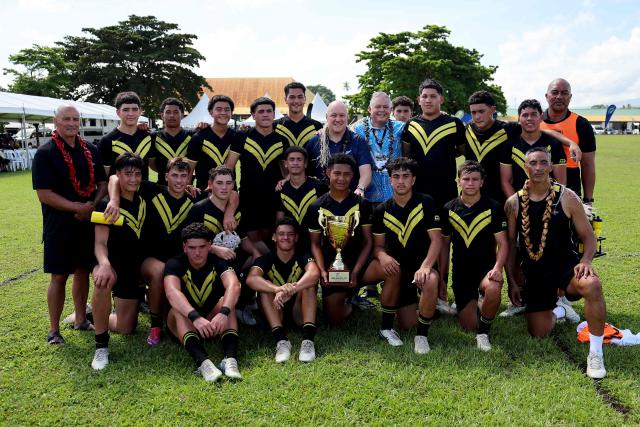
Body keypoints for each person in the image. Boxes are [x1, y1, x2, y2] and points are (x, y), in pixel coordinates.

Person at [504, 147, 608, 379]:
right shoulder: (513, 203)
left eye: (543, 162)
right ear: (525, 167)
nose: (538, 167)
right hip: (534, 272)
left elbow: (589, 237)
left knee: (592, 285)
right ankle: (560, 310)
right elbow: (510, 246)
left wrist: (586, 260)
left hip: (565, 267)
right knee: (538, 332)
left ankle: (595, 353)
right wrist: (511, 281)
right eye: (533, 163)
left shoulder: (568, 197)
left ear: (551, 166)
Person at [32, 105, 107, 344]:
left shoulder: (91, 150)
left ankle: (80, 319)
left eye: (76, 119)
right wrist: (77, 208)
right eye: (67, 119)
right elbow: (44, 193)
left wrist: (92, 205)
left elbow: (103, 183)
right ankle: (54, 330)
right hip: (59, 225)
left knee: (83, 271)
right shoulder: (45, 153)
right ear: (56, 121)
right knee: (59, 275)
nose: (72, 123)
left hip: (86, 222)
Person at [103, 157, 196, 346]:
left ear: (190, 179)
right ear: (165, 176)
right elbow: (114, 177)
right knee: (124, 327)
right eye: (175, 175)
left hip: (176, 265)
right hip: (145, 260)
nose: (179, 181)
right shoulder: (151, 191)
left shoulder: (194, 199)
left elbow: (229, 195)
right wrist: (113, 199)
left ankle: (156, 313)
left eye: (183, 176)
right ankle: (153, 326)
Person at [368, 158, 442, 353]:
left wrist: (426, 266)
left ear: (413, 180)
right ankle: (424, 306)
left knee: (431, 280)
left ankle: (422, 336)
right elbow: (377, 247)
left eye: (405, 176)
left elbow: (436, 239)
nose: (401, 181)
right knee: (407, 324)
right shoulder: (381, 210)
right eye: (396, 177)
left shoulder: (426, 202)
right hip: (397, 271)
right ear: (390, 180)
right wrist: (383, 257)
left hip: (420, 266)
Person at [440, 161, 508, 351]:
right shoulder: (449, 209)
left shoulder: (494, 207)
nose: (470, 183)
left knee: (494, 288)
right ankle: (472, 303)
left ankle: (484, 333)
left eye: (475, 179)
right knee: (468, 325)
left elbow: (503, 244)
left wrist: (497, 268)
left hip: (486, 271)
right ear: (458, 181)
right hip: (461, 273)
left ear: (482, 182)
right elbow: (444, 247)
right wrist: (443, 280)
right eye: (466, 179)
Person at [164, 222, 242, 381]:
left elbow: (234, 285)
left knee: (228, 302)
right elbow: (172, 292)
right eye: (192, 248)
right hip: (187, 322)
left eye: (202, 247)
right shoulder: (175, 263)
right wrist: (196, 318)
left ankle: (230, 360)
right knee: (177, 310)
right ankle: (204, 364)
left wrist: (224, 313)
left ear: (210, 246)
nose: (197, 253)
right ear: (185, 247)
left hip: (213, 321)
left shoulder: (218, 261)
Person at [91, 153, 147, 370]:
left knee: (126, 328)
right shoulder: (106, 205)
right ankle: (101, 346)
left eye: (137, 174)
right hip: (112, 263)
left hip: (133, 268)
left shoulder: (143, 196)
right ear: (118, 175)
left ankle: (91, 313)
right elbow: (100, 243)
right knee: (103, 279)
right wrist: (104, 262)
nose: (133, 179)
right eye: (128, 174)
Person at [185, 166, 262, 325]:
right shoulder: (198, 209)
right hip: (208, 258)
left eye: (228, 183)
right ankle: (218, 308)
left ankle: (244, 304)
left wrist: (255, 253)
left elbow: (243, 236)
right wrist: (214, 249)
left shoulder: (237, 207)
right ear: (210, 184)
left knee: (258, 259)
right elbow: (189, 240)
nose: (224, 187)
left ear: (234, 184)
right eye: (219, 183)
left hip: (232, 254)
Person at [305, 154, 374, 327]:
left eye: (346, 174)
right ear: (328, 173)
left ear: (353, 176)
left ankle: (358, 290)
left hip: (359, 264)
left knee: (387, 268)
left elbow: (368, 242)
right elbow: (314, 244)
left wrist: (356, 272)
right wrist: (322, 271)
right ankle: (349, 300)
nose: (341, 178)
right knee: (334, 321)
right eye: (337, 173)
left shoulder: (362, 204)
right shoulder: (316, 206)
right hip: (332, 267)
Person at [246, 217, 320, 363]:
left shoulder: (303, 255)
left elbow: (314, 273)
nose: (285, 237)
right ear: (274, 237)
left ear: (296, 237)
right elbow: (251, 279)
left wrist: (291, 289)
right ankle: (281, 341)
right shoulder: (266, 259)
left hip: (298, 312)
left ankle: (308, 340)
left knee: (309, 285)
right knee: (264, 286)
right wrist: (277, 289)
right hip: (275, 310)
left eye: (290, 234)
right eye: (281, 233)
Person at [225, 97, 289, 244]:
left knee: (269, 241)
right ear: (253, 115)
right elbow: (229, 168)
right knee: (252, 241)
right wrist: (231, 193)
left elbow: (286, 172)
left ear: (274, 114)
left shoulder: (282, 140)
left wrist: (286, 179)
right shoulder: (242, 136)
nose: (265, 114)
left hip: (274, 199)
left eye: (269, 111)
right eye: (260, 111)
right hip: (249, 198)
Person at [401, 78, 466, 209]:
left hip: (446, 189)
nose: (428, 100)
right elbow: (406, 155)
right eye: (424, 96)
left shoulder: (454, 123)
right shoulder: (411, 125)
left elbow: (462, 150)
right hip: (418, 189)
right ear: (419, 100)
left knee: (445, 228)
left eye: (433, 96)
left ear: (441, 99)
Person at [541, 78, 596, 201]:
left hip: (571, 186)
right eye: (555, 92)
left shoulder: (581, 124)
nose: (559, 96)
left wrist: (588, 199)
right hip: (537, 183)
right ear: (546, 96)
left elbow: (588, 165)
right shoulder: (534, 121)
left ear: (570, 97)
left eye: (564, 93)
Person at [500, 99, 567, 198]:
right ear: (519, 118)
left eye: (534, 114)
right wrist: (515, 203)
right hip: (520, 201)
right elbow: (506, 181)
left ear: (541, 117)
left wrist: (553, 203)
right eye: (525, 115)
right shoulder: (509, 144)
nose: (529, 118)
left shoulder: (554, 143)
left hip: (548, 202)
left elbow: (560, 182)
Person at [306, 101, 373, 196]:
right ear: (326, 117)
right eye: (334, 115)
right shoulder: (315, 141)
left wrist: (360, 188)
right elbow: (304, 171)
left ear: (347, 117)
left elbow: (366, 172)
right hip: (320, 200)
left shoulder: (358, 141)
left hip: (350, 199)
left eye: (342, 115)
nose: (338, 119)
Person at [352, 92, 404, 203]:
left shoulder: (400, 128)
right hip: (369, 196)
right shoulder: (358, 129)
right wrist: (323, 130)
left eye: (385, 107)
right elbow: (340, 129)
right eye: (378, 106)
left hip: (396, 197)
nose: (382, 110)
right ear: (369, 109)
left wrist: (439, 113)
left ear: (390, 110)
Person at [275, 146, 327, 250]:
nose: (295, 163)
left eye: (299, 159)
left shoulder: (318, 187)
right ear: (285, 164)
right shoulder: (281, 189)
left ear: (306, 163)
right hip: (290, 243)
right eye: (291, 159)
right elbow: (280, 220)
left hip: (315, 243)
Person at [187, 95, 239, 191]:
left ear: (231, 113)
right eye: (218, 109)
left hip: (229, 192)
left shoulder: (236, 137)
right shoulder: (198, 137)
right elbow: (189, 169)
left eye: (227, 109)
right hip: (204, 192)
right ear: (211, 112)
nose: (223, 113)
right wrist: (188, 187)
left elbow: (230, 167)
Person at [98, 91, 152, 179]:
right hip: (118, 192)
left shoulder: (148, 137)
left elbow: (155, 165)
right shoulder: (106, 141)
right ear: (118, 112)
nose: (130, 114)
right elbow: (104, 178)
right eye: (126, 110)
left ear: (140, 111)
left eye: (134, 109)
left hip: (144, 192)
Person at [150, 98, 200, 186]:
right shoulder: (153, 137)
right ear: (162, 115)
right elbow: (152, 165)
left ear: (182, 115)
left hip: (187, 189)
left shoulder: (193, 136)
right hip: (162, 188)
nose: (172, 115)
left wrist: (205, 126)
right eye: (168, 112)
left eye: (176, 112)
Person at [275, 82, 323, 148]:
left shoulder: (317, 126)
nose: (296, 101)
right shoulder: (275, 126)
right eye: (292, 97)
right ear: (286, 99)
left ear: (305, 99)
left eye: (300, 97)